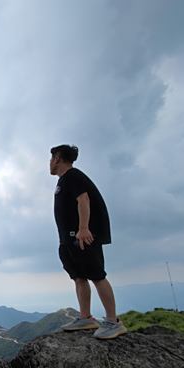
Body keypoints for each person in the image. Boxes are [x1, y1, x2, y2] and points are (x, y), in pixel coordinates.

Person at [50, 144, 127, 339]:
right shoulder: (64, 181)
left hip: (82, 237)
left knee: (97, 275)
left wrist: (84, 229)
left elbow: (83, 200)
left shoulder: (73, 176)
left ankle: (113, 322)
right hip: (69, 239)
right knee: (79, 276)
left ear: (57, 158)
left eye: (51, 158)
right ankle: (86, 317)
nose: (50, 163)